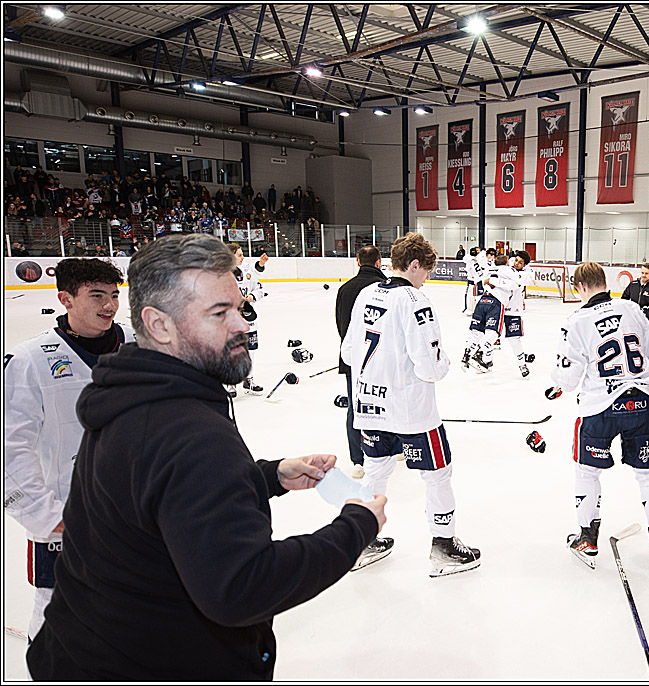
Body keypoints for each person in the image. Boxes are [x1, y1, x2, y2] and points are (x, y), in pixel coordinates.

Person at [24, 235, 385, 679]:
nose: (243, 325)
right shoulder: (191, 433)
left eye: (238, 307)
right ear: (159, 326)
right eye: (220, 313)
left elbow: (162, 494)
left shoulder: (127, 397)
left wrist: (269, 476)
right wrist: (356, 525)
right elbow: (242, 587)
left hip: (85, 654)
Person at [4, 259, 134, 640]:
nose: (109, 305)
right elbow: (9, 447)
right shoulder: (30, 359)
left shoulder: (139, 346)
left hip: (136, 511)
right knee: (58, 617)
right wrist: (44, 516)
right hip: (68, 517)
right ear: (65, 299)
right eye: (96, 295)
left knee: (133, 609)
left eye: (113, 295)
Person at [341, 232, 481, 577]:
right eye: (426, 272)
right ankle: (444, 546)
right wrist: (444, 361)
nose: (426, 279)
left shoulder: (366, 294)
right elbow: (430, 367)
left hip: (369, 406)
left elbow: (347, 352)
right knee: (438, 476)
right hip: (411, 413)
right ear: (414, 265)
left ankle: (363, 542)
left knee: (375, 473)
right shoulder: (414, 300)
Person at [546, 262, 649, 570]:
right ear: (605, 282)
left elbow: (567, 378)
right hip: (645, 404)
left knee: (587, 472)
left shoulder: (576, 321)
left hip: (600, 408)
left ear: (580, 288)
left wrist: (557, 384)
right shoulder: (633, 309)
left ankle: (588, 538)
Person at [335, 246, 386, 479]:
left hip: (353, 359)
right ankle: (389, 448)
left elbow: (341, 326)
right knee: (385, 402)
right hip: (381, 358)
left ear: (358, 262)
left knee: (356, 407)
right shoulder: (385, 288)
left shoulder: (345, 289)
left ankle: (358, 459)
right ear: (378, 262)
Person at [229, 244, 269, 397]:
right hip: (230, 320)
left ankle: (249, 380)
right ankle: (230, 384)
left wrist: (252, 297)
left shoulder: (247, 270)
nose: (243, 257)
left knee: (251, 350)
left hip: (248, 318)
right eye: (239, 255)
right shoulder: (221, 274)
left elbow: (259, 288)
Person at [462, 254, 511, 373]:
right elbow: (516, 283)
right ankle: (480, 353)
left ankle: (466, 355)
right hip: (496, 302)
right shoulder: (508, 271)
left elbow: (479, 282)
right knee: (493, 332)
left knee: (476, 332)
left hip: (482, 300)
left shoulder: (489, 269)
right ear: (506, 263)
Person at [462, 246, 480, 314]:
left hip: (477, 280)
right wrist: (473, 258)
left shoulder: (480, 259)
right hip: (470, 280)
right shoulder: (468, 257)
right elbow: (465, 258)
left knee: (476, 295)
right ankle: (468, 308)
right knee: (469, 295)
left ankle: (475, 308)